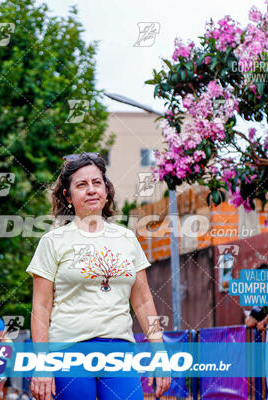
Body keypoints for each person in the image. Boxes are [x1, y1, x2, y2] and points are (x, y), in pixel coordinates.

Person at [27, 152, 170, 400]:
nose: (91, 190)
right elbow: (40, 307)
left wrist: (159, 351)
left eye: (97, 182)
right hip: (68, 352)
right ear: (68, 197)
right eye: (81, 185)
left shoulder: (126, 238)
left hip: (119, 352)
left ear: (106, 191)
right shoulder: (52, 241)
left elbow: (143, 300)